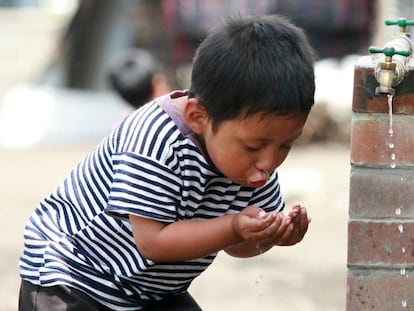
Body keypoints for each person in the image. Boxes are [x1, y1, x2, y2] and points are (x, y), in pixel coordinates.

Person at [19, 14, 315, 310]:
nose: (269, 162)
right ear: (198, 117)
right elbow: (153, 242)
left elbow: (236, 246)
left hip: (147, 291)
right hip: (74, 277)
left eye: (286, 145)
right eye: (254, 146)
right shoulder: (156, 138)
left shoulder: (253, 166)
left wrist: (269, 235)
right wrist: (235, 226)